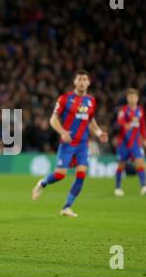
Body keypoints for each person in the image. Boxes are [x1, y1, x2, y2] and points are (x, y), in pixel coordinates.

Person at [32, 70, 108, 217]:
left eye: (85, 79)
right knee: (60, 175)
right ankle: (42, 183)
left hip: (82, 145)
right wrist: (62, 132)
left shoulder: (91, 101)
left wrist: (99, 133)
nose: (82, 82)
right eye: (79, 79)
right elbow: (53, 119)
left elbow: (90, 120)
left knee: (81, 174)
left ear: (89, 82)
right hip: (68, 143)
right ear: (74, 82)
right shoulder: (65, 99)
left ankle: (67, 207)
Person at [114, 88, 146, 196]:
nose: (132, 99)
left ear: (137, 98)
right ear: (127, 98)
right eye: (130, 97)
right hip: (124, 143)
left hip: (136, 143)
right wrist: (127, 124)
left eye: (134, 97)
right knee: (121, 165)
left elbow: (143, 126)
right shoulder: (123, 110)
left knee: (140, 162)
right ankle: (117, 187)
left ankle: (144, 186)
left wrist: (145, 139)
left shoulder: (140, 110)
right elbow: (119, 122)